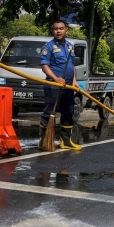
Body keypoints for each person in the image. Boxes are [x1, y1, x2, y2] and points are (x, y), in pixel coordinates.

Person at [40, 20, 81, 151]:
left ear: (66, 31)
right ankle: (44, 141)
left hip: (68, 87)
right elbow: (44, 66)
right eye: (56, 29)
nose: (58, 31)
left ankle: (66, 141)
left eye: (61, 28)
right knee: (49, 112)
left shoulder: (70, 46)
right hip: (53, 86)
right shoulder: (48, 46)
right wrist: (55, 78)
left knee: (68, 113)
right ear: (53, 31)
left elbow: (72, 66)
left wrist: (74, 81)